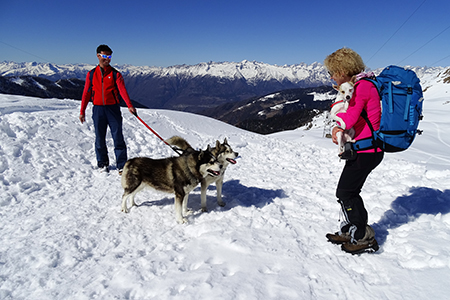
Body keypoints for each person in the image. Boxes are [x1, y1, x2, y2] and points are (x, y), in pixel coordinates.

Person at [324, 47, 384, 254]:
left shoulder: (363, 87)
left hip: (368, 150)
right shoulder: (361, 84)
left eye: (333, 72)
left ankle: (362, 236)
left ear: (343, 70)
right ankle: (352, 230)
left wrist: (337, 127)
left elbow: (352, 114)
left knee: (346, 192)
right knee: (348, 192)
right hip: (364, 149)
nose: (331, 76)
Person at [79, 44, 136, 174]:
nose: (107, 59)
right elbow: (86, 93)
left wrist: (129, 105)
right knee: (99, 138)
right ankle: (102, 163)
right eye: (104, 56)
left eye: (109, 56)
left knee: (118, 137)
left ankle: (122, 165)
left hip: (113, 109)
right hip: (98, 109)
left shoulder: (116, 74)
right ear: (98, 55)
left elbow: (122, 91)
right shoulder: (91, 74)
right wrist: (82, 111)